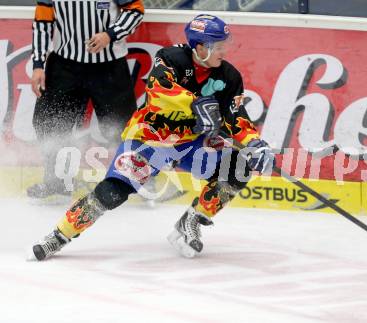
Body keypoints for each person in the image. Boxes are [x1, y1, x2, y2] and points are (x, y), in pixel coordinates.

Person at [29, 14, 275, 260]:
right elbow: (157, 92)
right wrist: (194, 103)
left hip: (190, 142)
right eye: (218, 46)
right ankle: (59, 235)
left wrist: (254, 142)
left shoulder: (229, 77)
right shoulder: (170, 58)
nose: (224, 51)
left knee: (239, 167)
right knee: (112, 192)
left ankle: (192, 221)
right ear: (199, 47)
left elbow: (235, 116)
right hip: (150, 138)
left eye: (225, 45)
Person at [28, 0, 144, 202]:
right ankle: (55, 182)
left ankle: (129, 183)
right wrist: (38, 64)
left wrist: (110, 34)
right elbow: (42, 22)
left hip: (109, 66)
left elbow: (135, 11)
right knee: (49, 123)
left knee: (124, 127)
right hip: (65, 66)